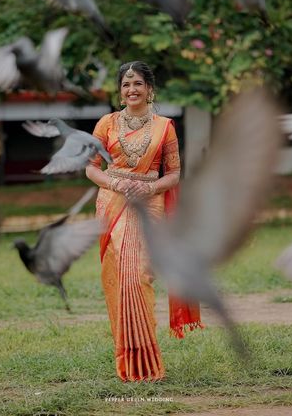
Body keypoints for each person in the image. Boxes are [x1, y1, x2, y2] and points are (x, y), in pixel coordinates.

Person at [86, 61, 203, 382]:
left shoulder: (165, 126)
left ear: (150, 89)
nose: (132, 90)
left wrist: (149, 186)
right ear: (119, 91)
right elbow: (91, 168)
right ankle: (129, 359)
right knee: (118, 278)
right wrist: (115, 183)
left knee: (139, 275)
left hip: (149, 204)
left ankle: (147, 356)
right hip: (112, 203)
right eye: (126, 84)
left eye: (138, 83)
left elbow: (175, 174)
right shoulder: (106, 124)